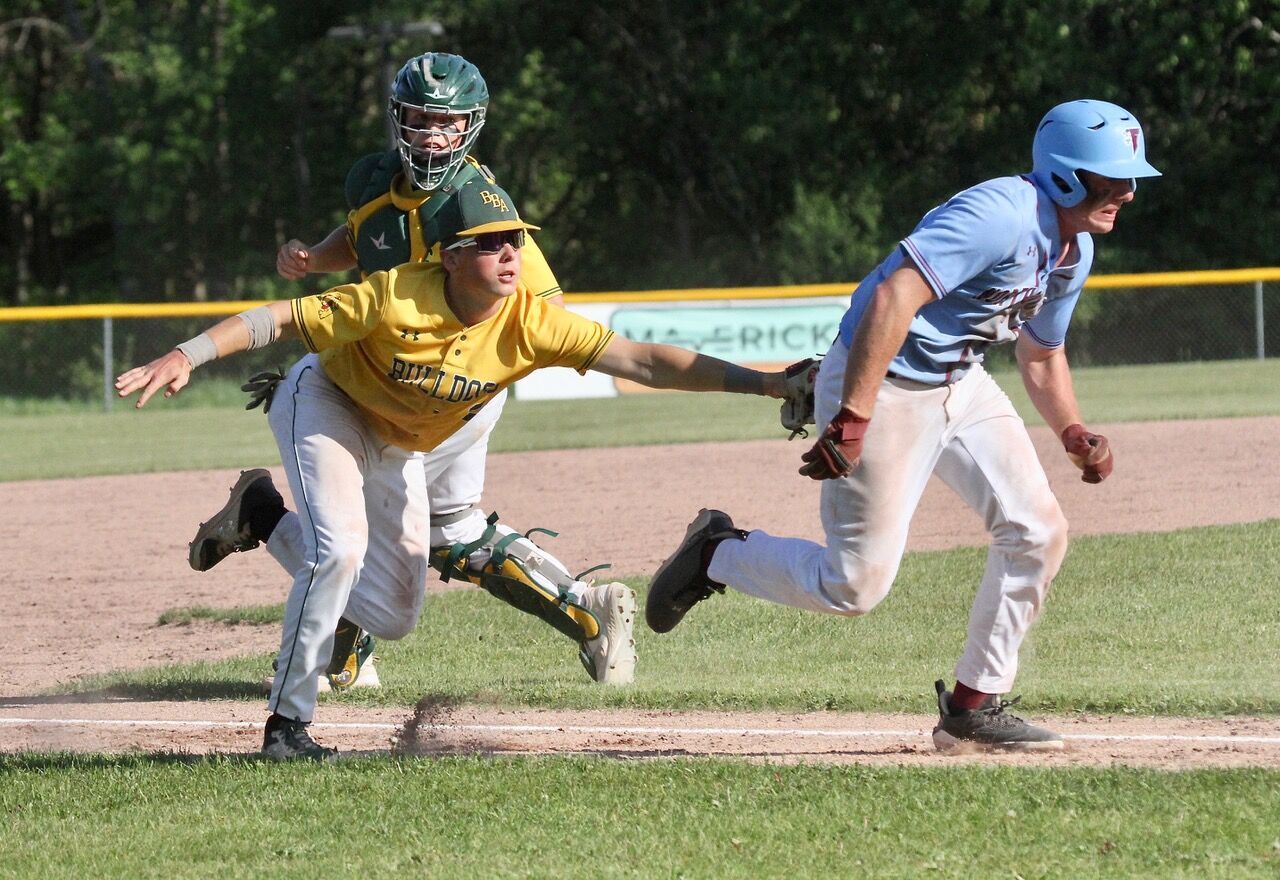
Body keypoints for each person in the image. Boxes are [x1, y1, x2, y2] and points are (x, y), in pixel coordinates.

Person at [116, 178, 790, 759]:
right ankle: (287, 724)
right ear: (450, 253)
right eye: (492, 241)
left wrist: (767, 385)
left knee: (393, 615)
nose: (511, 254)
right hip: (327, 406)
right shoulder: (392, 297)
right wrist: (187, 354)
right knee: (339, 553)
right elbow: (280, 319)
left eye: (517, 240)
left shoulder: (531, 322)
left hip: (400, 444)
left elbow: (647, 361)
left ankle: (261, 514)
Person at [644, 99, 1161, 751]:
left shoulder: (1073, 247)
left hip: (958, 381)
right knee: (852, 586)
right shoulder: (999, 215)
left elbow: (1043, 351)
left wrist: (1072, 432)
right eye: (1111, 176)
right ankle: (715, 554)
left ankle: (974, 705)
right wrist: (853, 413)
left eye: (1130, 175)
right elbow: (894, 296)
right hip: (880, 381)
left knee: (1039, 530)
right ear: (1063, 173)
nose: (1128, 191)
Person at [270, 51, 598, 691]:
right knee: (418, 527)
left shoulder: (476, 198)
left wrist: (516, 349)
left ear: (472, 126)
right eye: (418, 120)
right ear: (397, 119)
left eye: (447, 123)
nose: (431, 135)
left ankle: (338, 617)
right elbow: (362, 234)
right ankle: (348, 631)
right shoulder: (371, 177)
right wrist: (315, 258)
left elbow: (543, 300)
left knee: (426, 528)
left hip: (456, 385)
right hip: (389, 373)